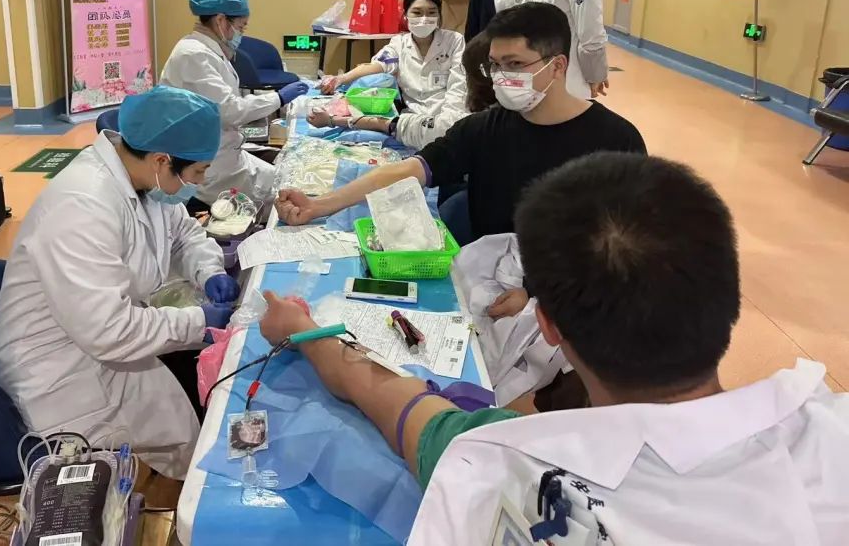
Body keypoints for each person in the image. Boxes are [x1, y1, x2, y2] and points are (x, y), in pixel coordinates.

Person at [259, 152, 849, 544]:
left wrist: (300, 328)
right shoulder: (831, 432)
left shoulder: (507, 466)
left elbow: (386, 393)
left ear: (547, 325)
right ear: (730, 292)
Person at [0, 86, 240, 480]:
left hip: (94, 337)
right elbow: (109, 330)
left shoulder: (145, 181)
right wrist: (199, 322)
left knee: (188, 419)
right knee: (192, 439)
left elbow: (184, 235)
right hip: (58, 370)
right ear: (162, 160)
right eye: (197, 172)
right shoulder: (82, 205)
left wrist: (209, 271)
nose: (200, 182)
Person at [279, 3, 645, 239]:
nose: (502, 77)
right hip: (491, 283)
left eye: (515, 64)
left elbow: (628, 242)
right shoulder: (484, 130)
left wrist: (533, 292)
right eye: (495, 65)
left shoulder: (615, 141)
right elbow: (407, 170)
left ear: (558, 66)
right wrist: (320, 205)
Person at [161, 0, 307, 206]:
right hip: (209, 169)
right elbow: (229, 111)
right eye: (240, 27)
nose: (241, 34)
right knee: (285, 199)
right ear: (221, 21)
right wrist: (278, 98)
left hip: (224, 154)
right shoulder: (193, 55)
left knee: (286, 180)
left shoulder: (208, 51)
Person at [316, 0, 467, 150]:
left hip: (449, 116)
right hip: (412, 120)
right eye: (417, 12)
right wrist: (340, 79)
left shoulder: (454, 41)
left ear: (439, 14)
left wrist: (447, 122)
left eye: (431, 12)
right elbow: (378, 64)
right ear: (405, 15)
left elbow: (458, 87)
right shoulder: (399, 43)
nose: (424, 19)